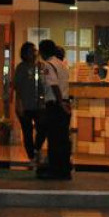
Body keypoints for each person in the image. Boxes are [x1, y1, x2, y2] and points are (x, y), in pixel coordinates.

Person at [36, 39, 72, 180]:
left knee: (54, 139)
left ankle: (55, 170)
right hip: (65, 103)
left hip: (55, 105)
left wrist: (60, 102)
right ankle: (64, 169)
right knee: (63, 139)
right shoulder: (61, 64)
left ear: (43, 52)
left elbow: (54, 85)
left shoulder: (48, 65)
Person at [11, 42, 45, 165]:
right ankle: (31, 156)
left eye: (35, 51)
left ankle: (36, 149)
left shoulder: (39, 67)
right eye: (31, 51)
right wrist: (18, 104)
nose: (34, 54)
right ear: (25, 54)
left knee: (43, 127)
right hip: (25, 105)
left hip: (38, 105)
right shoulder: (21, 68)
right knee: (27, 132)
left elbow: (42, 86)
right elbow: (17, 88)